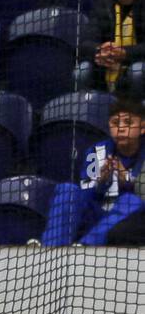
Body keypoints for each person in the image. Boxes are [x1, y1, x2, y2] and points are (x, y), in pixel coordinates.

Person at [38, 98, 145, 247]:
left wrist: (126, 180)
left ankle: (86, 247)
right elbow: (84, 195)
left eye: (128, 123)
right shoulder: (97, 151)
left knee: (130, 200)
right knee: (67, 189)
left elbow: (142, 198)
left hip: (124, 225)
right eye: (115, 123)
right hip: (95, 214)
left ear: (142, 127)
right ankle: (51, 247)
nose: (121, 128)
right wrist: (101, 181)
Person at [77, 0, 145, 93]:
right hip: (106, 66)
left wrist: (125, 53)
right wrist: (100, 51)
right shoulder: (103, 1)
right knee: (82, 71)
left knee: (137, 71)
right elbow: (85, 43)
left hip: (137, 62)